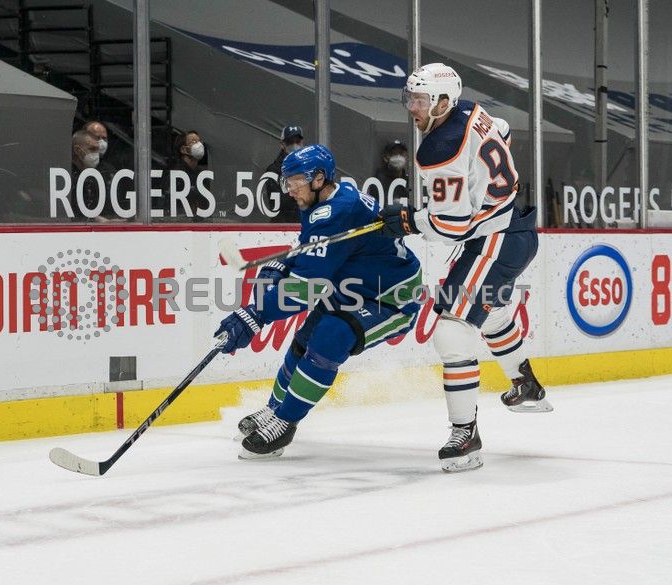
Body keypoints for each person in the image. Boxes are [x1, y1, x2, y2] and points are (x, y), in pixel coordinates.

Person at [379, 63, 552, 473]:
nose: (412, 108)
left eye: (420, 101)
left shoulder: (439, 148)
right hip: (513, 229)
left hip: (494, 240)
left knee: (451, 331)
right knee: (490, 314)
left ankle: (466, 435)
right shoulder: (471, 109)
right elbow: (503, 131)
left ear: (443, 102)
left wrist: (408, 221)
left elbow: (451, 227)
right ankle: (526, 384)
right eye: (410, 99)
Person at [215, 144, 422, 459]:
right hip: (352, 287)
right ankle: (275, 408)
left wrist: (256, 314)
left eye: (297, 181)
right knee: (304, 343)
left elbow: (306, 290)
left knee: (329, 339)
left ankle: (285, 422)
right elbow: (314, 248)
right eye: (288, 181)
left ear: (319, 178)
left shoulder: (337, 210)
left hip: (391, 296)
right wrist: (285, 264)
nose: (290, 189)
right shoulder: (323, 200)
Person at [261, 125, 304, 222]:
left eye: (297, 141)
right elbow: (280, 204)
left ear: (302, 142)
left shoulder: (308, 167)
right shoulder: (273, 170)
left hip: (305, 225)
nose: (294, 145)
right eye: (290, 142)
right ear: (282, 144)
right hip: (283, 226)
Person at [71, 129, 114, 220]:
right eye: (92, 149)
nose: (96, 154)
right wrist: (94, 220)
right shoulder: (66, 176)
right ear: (77, 150)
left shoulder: (99, 175)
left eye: (98, 150)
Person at [167, 130, 208, 220]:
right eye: (194, 141)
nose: (199, 144)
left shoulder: (201, 173)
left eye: (199, 141)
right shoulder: (176, 174)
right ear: (184, 149)